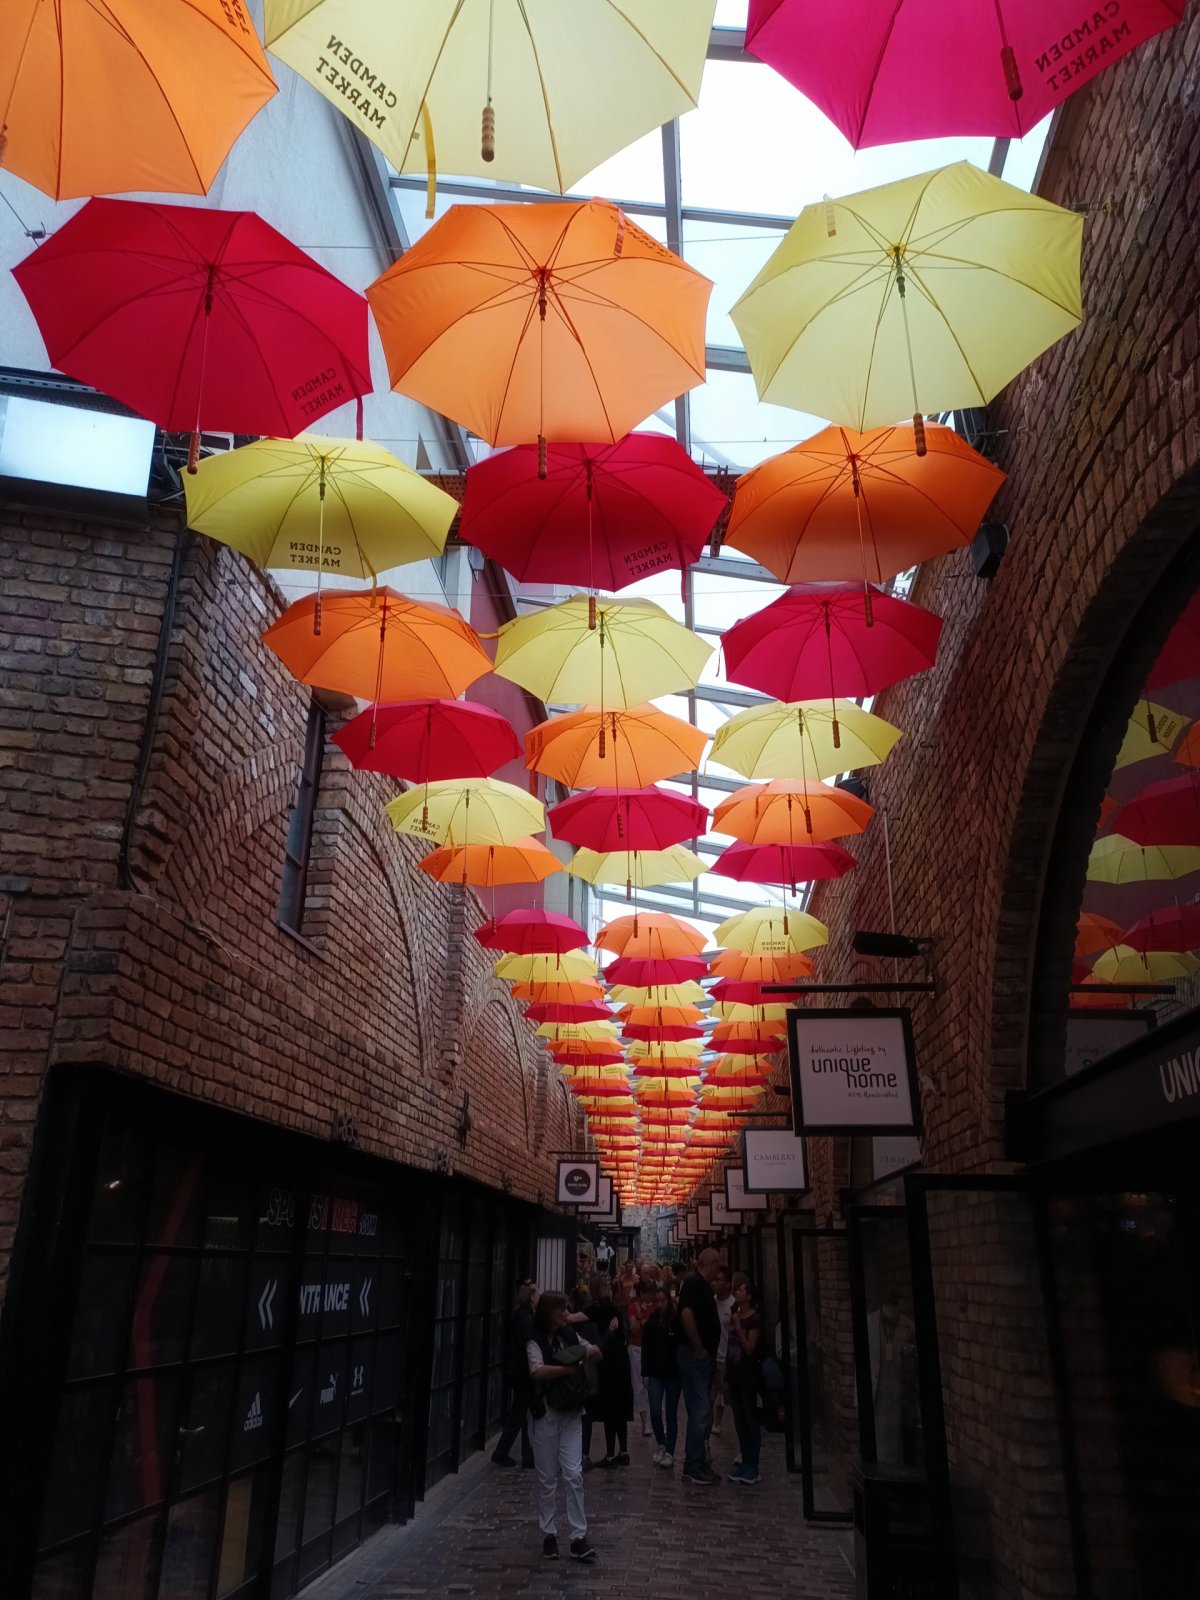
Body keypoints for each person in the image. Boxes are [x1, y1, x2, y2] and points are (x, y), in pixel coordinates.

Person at [527, 1291, 601, 1562]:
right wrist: (569, 1368)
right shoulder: (535, 1339)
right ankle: (549, 1533)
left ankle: (578, 1536)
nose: (565, 1313)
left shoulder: (570, 1335)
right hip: (545, 1413)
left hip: (570, 1413)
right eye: (560, 1309)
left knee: (573, 1474)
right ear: (547, 1312)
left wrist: (581, 1353)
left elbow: (595, 1352)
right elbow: (536, 1371)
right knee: (547, 1478)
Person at [676, 1247, 723, 1486]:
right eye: (718, 1266)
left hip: (700, 1358)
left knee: (700, 1410)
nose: (719, 1271)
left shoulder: (699, 1285)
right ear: (711, 1263)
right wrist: (697, 1346)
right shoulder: (694, 1283)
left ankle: (697, 1462)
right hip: (694, 1357)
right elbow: (686, 1314)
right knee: (701, 1410)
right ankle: (693, 1465)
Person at [586, 1273, 634, 1466]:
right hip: (621, 1361)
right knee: (620, 1407)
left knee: (610, 1408)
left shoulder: (601, 1308)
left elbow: (585, 1317)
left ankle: (611, 1454)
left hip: (609, 1363)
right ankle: (623, 1451)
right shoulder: (612, 1307)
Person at [492, 1279, 538, 1469]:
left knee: (521, 1413)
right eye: (536, 1295)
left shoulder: (518, 1316)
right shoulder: (527, 1320)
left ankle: (519, 1454)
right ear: (531, 1298)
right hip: (523, 1372)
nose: (538, 1298)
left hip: (517, 1370)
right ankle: (521, 1455)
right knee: (523, 1413)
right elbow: (529, 1344)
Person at [725, 1273, 763, 1485]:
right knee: (739, 1420)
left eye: (739, 1290)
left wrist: (739, 1327)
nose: (735, 1292)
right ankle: (745, 1462)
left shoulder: (754, 1319)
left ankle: (753, 1465)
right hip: (734, 1374)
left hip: (747, 1375)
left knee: (750, 1419)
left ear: (748, 1295)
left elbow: (749, 1349)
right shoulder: (735, 1312)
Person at [641, 1285, 682, 1468]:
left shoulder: (676, 1322)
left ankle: (670, 1451)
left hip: (673, 1374)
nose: (659, 1304)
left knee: (671, 1413)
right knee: (656, 1411)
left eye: (662, 1301)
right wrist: (645, 1372)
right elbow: (646, 1349)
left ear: (668, 1301)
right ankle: (661, 1443)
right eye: (656, 1301)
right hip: (656, 1374)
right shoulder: (651, 1323)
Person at [567, 1286, 603, 1470]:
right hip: (588, 1374)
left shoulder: (569, 1324)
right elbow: (598, 1348)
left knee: (575, 1415)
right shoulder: (588, 1324)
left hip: (573, 1375)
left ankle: (572, 1453)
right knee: (586, 1416)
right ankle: (583, 1453)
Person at [625, 1276, 656, 1439]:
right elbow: (634, 1330)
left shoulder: (657, 1306)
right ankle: (645, 1422)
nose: (650, 1296)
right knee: (639, 1385)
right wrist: (641, 1317)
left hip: (653, 1348)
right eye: (648, 1293)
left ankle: (655, 1419)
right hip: (637, 1348)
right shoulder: (633, 1308)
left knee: (653, 1383)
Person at [710, 1265, 734, 1441]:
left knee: (728, 1397)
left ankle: (737, 1440)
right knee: (711, 1397)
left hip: (728, 1358)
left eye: (718, 1280)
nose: (714, 1283)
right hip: (712, 1358)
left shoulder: (733, 1305)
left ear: (727, 1283)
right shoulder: (711, 1302)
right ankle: (712, 1428)